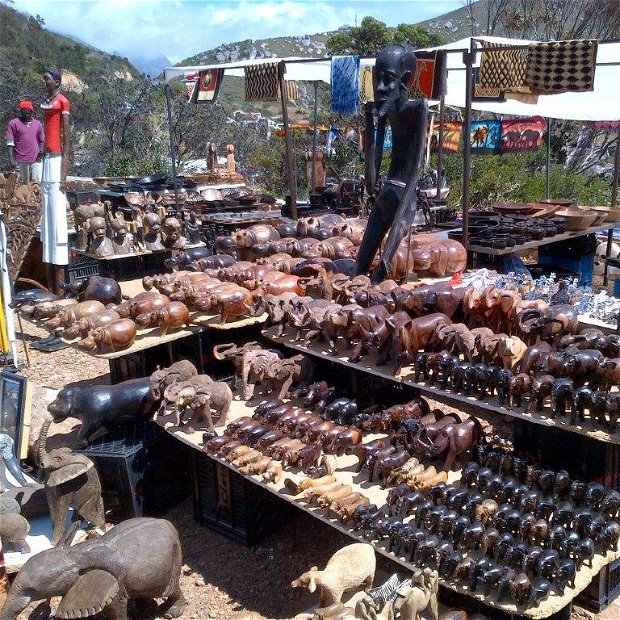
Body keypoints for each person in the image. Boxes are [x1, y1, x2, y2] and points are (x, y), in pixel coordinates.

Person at [356, 44, 427, 283]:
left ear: (405, 80)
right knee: (359, 269)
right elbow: (370, 183)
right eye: (377, 80)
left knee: (380, 272)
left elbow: (415, 169)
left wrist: (400, 218)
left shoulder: (417, 109)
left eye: (388, 80)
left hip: (404, 198)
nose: (379, 88)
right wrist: (370, 121)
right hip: (386, 194)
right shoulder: (385, 111)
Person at [40, 68, 70, 294]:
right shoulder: (48, 101)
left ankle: (59, 288)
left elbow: (66, 140)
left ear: (57, 82)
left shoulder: (62, 102)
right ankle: (50, 288)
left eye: (47, 79)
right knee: (47, 227)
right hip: (47, 161)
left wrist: (64, 175)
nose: (44, 82)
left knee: (58, 226)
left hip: (57, 161)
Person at [5, 100, 44, 184]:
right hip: (21, 159)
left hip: (36, 158)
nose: (26, 114)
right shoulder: (13, 123)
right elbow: (10, 142)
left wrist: (41, 150)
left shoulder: (38, 124)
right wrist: (11, 158)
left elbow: (41, 140)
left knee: (37, 184)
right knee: (23, 184)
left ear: (32, 112)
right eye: (24, 112)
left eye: (28, 112)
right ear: (21, 112)